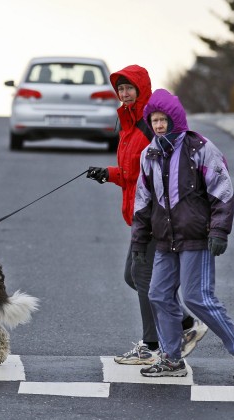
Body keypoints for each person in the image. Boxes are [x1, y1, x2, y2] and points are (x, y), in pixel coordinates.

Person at [132, 88, 234, 379]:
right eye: (154, 120)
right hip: (165, 240)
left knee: (196, 297)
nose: (159, 125)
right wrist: (139, 241)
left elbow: (223, 190)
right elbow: (143, 201)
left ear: (175, 118)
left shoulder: (200, 148)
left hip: (195, 238)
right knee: (159, 294)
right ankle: (171, 359)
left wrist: (219, 231)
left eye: (164, 119)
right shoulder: (148, 154)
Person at [86, 65, 207, 366]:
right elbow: (133, 171)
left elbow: (157, 167)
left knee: (142, 277)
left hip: (157, 214)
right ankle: (184, 324)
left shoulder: (148, 122)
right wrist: (108, 174)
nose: (124, 93)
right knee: (134, 276)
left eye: (129, 88)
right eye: (120, 89)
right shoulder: (128, 123)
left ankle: (152, 344)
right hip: (142, 214)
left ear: (141, 88)